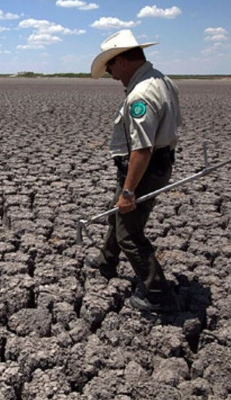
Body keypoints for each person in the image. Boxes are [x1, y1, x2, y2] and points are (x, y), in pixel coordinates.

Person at [86, 29, 182, 312]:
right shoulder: (162, 80)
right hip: (150, 166)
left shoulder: (141, 95)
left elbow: (142, 149)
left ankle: (158, 295)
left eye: (111, 67)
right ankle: (107, 262)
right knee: (117, 213)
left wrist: (128, 190)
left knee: (129, 233)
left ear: (123, 60)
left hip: (143, 170)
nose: (112, 74)